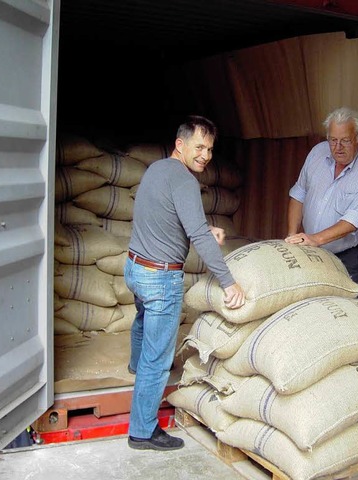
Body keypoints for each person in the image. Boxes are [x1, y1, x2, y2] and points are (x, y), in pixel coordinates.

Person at [124, 115, 245, 451]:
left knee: (142, 319)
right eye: (199, 146)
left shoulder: (157, 170)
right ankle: (143, 432)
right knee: (158, 359)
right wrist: (229, 282)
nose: (205, 155)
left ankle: (135, 367)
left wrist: (207, 232)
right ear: (181, 144)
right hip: (160, 277)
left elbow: (169, 219)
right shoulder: (186, 182)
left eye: (209, 149)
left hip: (135, 268)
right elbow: (196, 235)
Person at [285, 107, 358, 287]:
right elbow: (298, 194)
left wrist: (315, 239)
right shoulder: (317, 152)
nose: (337, 148)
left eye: (345, 141)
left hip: (350, 256)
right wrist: (292, 235)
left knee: (343, 309)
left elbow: (354, 220)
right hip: (313, 249)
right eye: (333, 140)